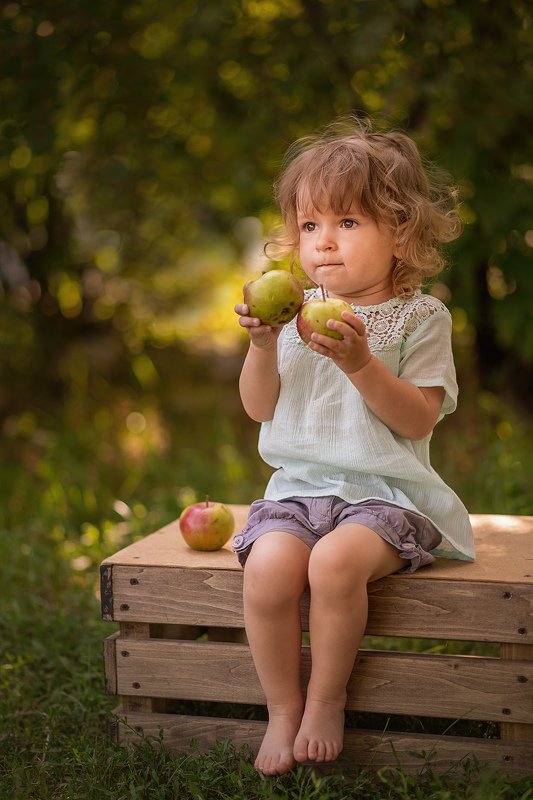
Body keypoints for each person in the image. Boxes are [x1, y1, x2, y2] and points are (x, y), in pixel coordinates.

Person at [233, 117, 474, 777]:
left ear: (399, 232)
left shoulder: (419, 317)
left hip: (385, 495)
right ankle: (281, 707)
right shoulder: (290, 315)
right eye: (309, 227)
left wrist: (363, 364)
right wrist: (259, 346)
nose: (324, 245)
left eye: (346, 223)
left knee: (335, 565)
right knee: (268, 569)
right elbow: (258, 408)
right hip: (297, 492)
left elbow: (417, 419)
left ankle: (326, 698)